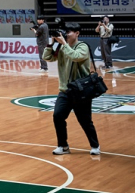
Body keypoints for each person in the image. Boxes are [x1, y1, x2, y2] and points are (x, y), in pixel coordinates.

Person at [42, 22, 100, 156]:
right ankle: (63, 146)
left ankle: (95, 145)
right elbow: (47, 58)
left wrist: (64, 44)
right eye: (65, 32)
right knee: (58, 116)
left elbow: (75, 57)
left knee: (85, 121)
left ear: (77, 33)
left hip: (81, 92)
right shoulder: (62, 47)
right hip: (65, 91)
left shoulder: (83, 47)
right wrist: (51, 44)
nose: (66, 35)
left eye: (68, 32)